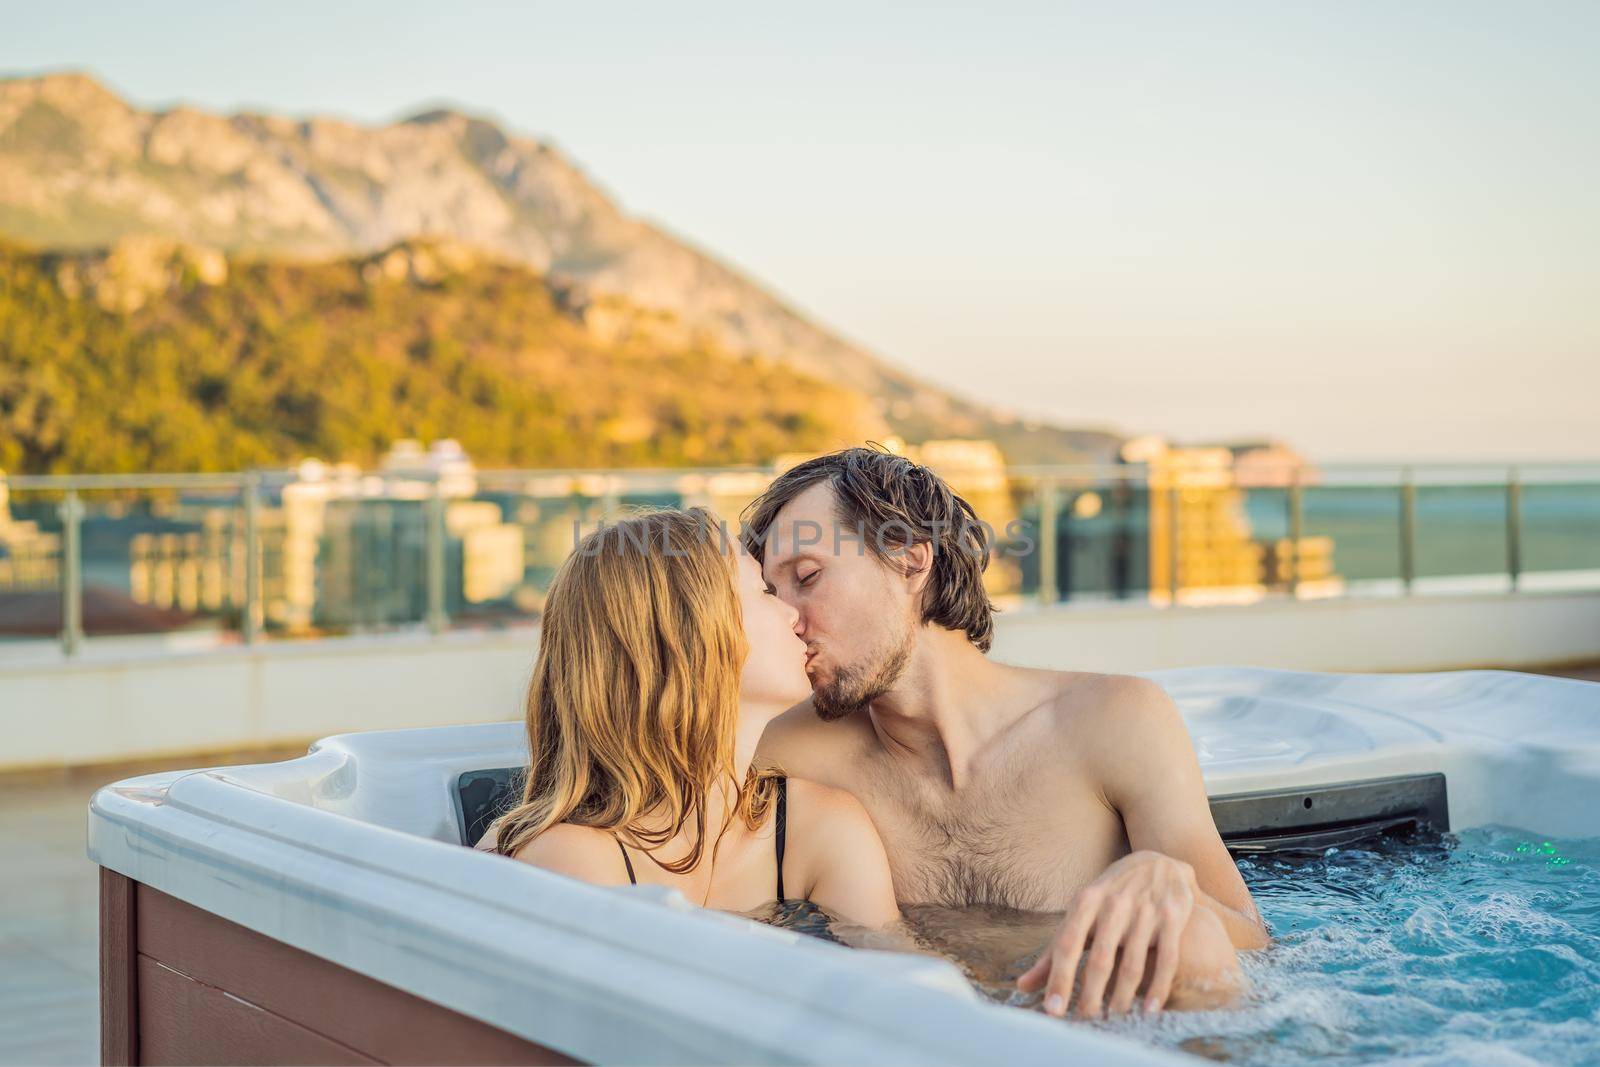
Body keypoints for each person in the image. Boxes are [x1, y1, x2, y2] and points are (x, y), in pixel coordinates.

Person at [745, 447, 1267, 1017]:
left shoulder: (1112, 721)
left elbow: (1253, 945)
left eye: (808, 577)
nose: (788, 619)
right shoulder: (787, 750)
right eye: (772, 595)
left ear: (911, 562)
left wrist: (1175, 887)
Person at [482, 508, 899, 930]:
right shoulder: (570, 859)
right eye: (763, 592)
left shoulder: (822, 826)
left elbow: (900, 986)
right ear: (691, 637)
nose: (792, 614)